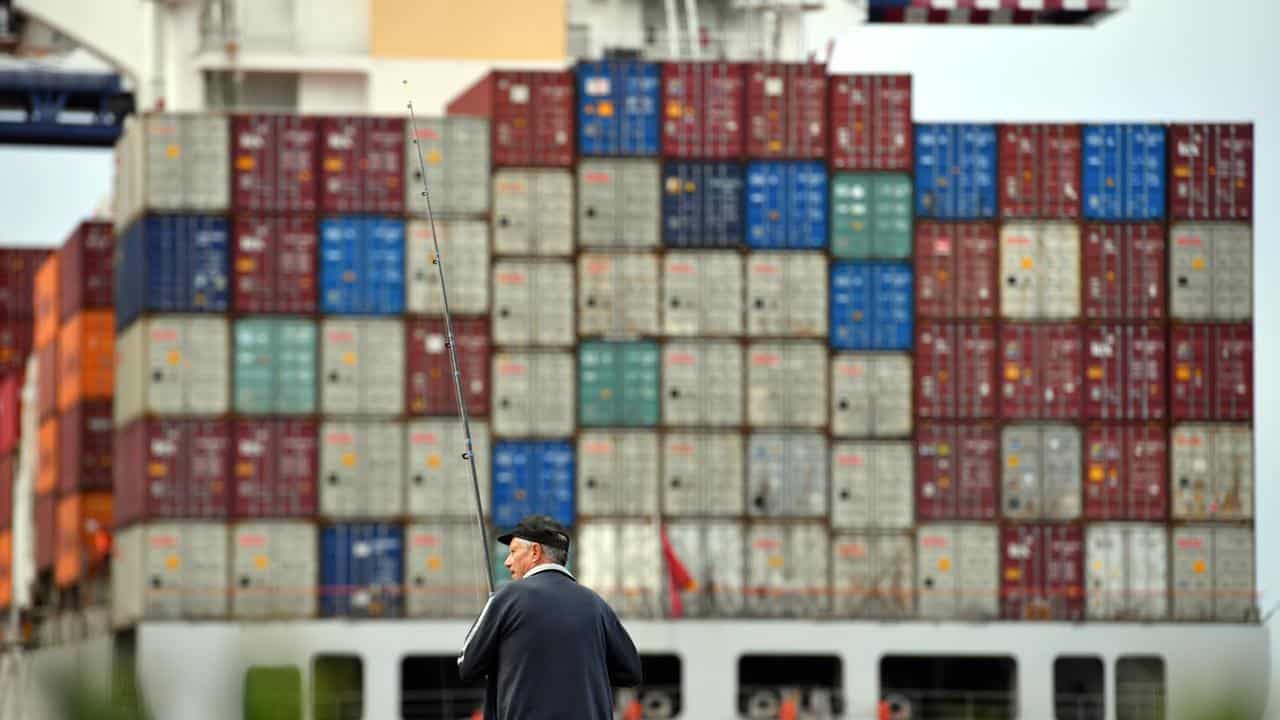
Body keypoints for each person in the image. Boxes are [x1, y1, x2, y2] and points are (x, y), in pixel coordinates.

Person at [457, 515, 643, 719]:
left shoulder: (506, 599)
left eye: (512, 552)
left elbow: (467, 665)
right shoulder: (596, 605)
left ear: (535, 552)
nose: (507, 562)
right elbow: (631, 671)